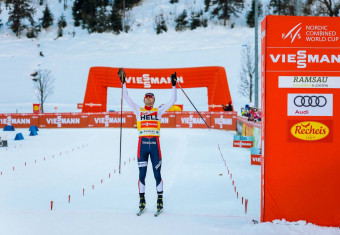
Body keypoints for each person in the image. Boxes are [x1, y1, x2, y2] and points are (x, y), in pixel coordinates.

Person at [118, 68, 177, 213]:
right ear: (144, 100)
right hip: (142, 146)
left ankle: (160, 200)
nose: (149, 98)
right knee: (141, 175)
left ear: (154, 100)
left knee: (157, 175)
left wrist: (174, 84)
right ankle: (142, 201)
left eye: (151, 97)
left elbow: (174, 100)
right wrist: (123, 82)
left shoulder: (159, 110)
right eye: (147, 97)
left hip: (155, 146)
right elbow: (125, 97)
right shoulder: (138, 110)